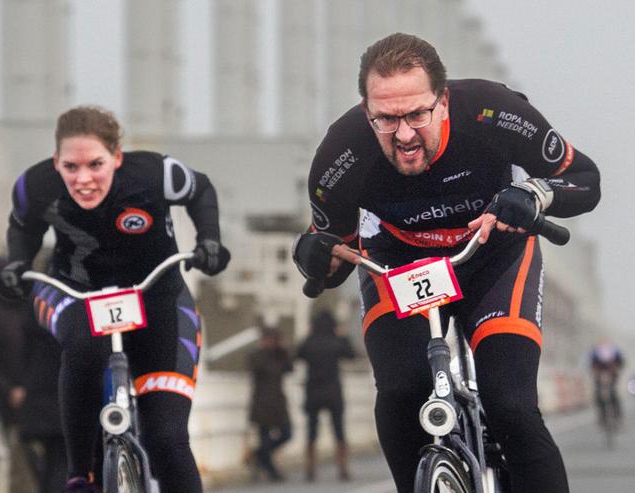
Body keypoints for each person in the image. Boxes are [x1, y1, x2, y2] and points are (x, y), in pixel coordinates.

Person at [292, 33, 600, 493]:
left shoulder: (492, 110)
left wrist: (535, 193)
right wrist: (312, 254)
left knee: (511, 406)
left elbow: (585, 179)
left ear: (444, 101)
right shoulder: (341, 153)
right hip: (399, 262)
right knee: (401, 392)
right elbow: (333, 259)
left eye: (417, 114)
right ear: (365, 109)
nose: (404, 135)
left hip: (492, 257)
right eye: (385, 119)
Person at [0, 105, 231, 493]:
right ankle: (80, 475)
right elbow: (23, 227)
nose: (83, 179)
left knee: (167, 440)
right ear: (55, 161)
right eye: (70, 167)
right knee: (84, 341)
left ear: (117, 157)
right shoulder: (35, 186)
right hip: (75, 291)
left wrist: (210, 240)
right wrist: (17, 264)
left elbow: (201, 189)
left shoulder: (154, 174)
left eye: (96, 165)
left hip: (158, 298)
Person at [0, 256, 66, 493]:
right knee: (38, 466)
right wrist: (9, 390)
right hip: (24, 404)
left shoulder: (30, 310)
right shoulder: (1, 317)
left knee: (48, 467)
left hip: (38, 401)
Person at [296, 310, 356, 482]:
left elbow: (298, 354)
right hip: (333, 391)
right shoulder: (336, 342)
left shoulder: (310, 342)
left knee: (311, 430)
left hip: (313, 391)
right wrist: (342, 335)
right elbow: (351, 354)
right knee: (338, 430)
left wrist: (308, 335)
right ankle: (343, 468)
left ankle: (310, 468)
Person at [247, 326, 293, 482]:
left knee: (287, 433)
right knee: (265, 438)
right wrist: (266, 351)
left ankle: (257, 455)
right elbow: (256, 368)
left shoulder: (280, 355)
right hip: (262, 403)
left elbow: (290, 368)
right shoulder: (257, 355)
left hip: (278, 403)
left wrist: (282, 350)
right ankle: (271, 471)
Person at [589, 336, 625, 425]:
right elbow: (591, 364)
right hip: (599, 376)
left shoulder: (615, 351)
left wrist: (616, 369)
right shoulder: (595, 352)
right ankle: (602, 415)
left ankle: (617, 415)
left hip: (612, 374)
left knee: (613, 394)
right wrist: (595, 372)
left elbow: (621, 362)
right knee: (598, 395)